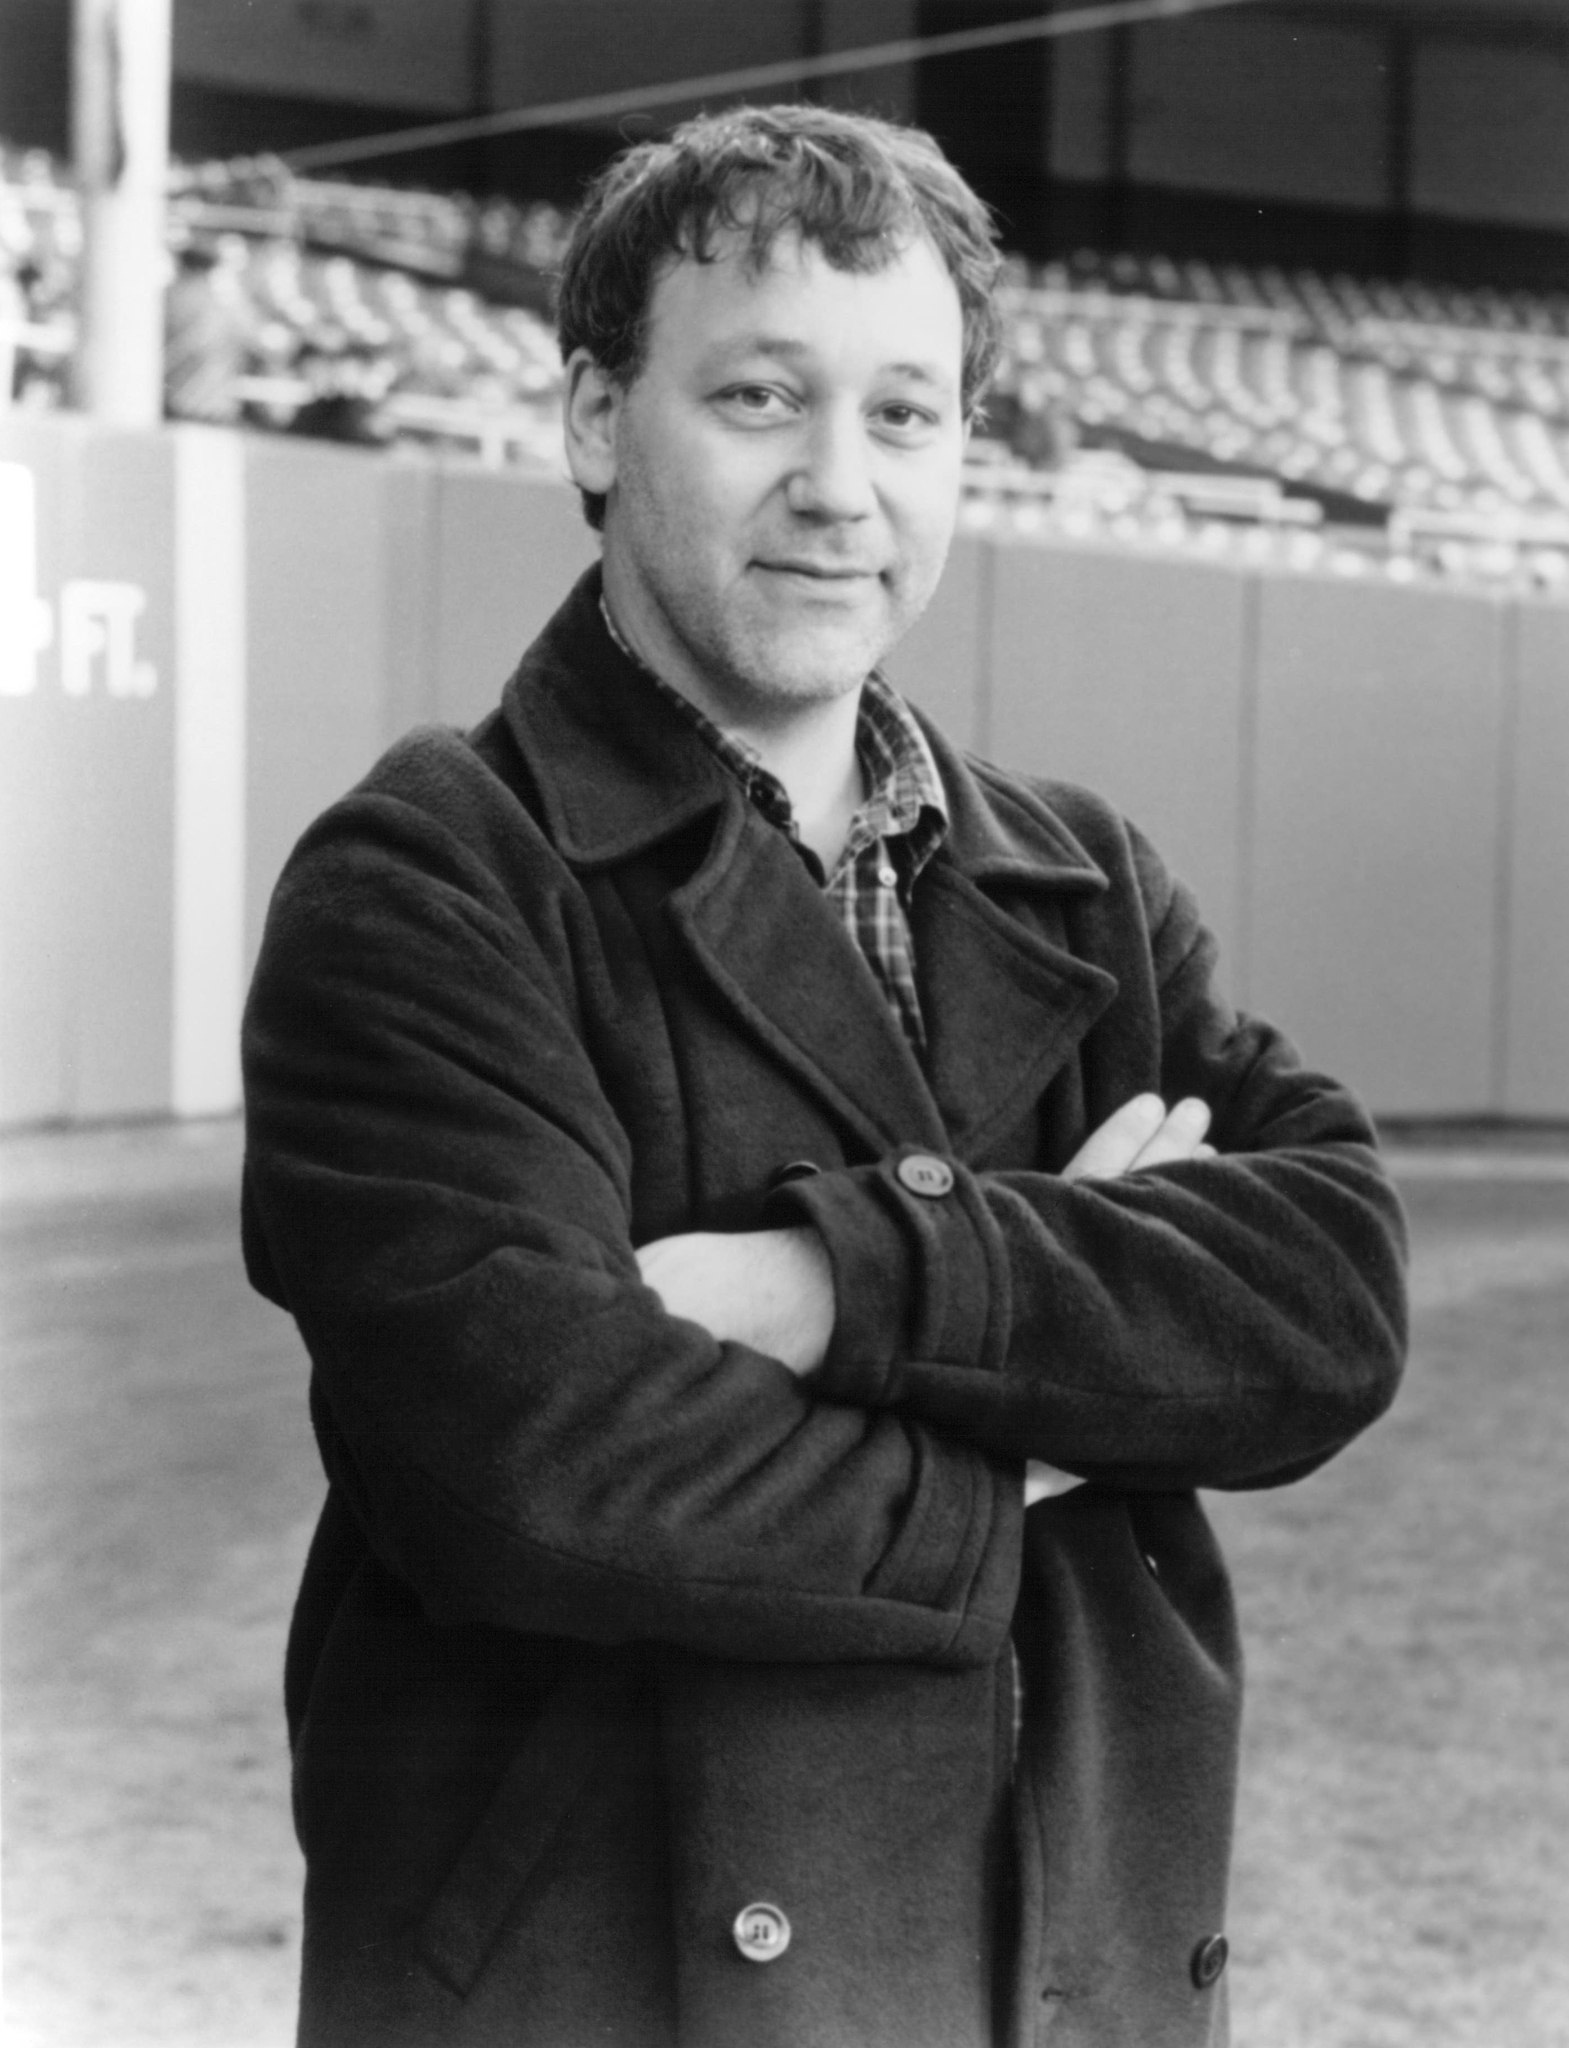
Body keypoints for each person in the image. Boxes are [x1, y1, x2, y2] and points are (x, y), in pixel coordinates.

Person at [241, 104, 1407, 2048]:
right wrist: (1057, 1412)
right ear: (594, 418)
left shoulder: (1082, 877)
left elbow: (1328, 1296)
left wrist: (825, 1286)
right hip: (602, 1986)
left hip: (1064, 1970)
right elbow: (536, 1467)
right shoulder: (431, 872)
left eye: (904, 415)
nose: (837, 486)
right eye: (761, 397)